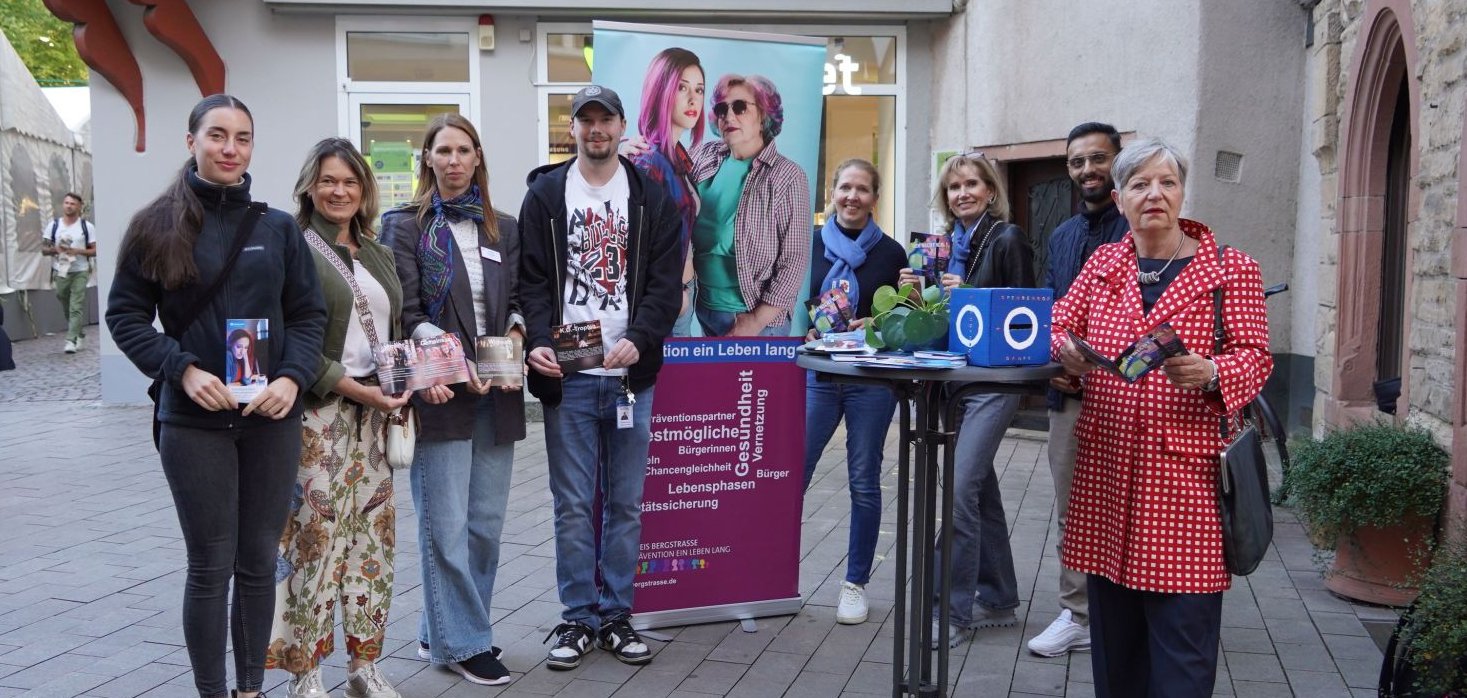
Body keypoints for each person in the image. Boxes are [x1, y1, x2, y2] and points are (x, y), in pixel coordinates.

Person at [105, 93, 327, 698]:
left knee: (257, 561)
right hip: (193, 420)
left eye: (243, 137)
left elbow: (308, 315)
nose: (231, 149)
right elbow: (125, 316)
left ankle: (250, 689)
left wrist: (291, 378)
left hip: (269, 416)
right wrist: (181, 370)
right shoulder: (155, 226)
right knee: (209, 564)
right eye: (218, 135)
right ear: (192, 142)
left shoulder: (277, 228)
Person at [1052, 138, 1272, 697]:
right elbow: (1058, 324)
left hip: (1185, 487)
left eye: (1167, 182)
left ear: (1181, 192)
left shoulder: (1230, 269)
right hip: (1106, 480)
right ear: (1120, 199)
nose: (1155, 194)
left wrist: (1213, 372)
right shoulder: (1104, 264)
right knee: (1116, 656)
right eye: (1140, 184)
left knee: (1182, 658)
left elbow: (1256, 357)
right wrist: (1067, 353)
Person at [519, 85, 681, 670]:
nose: (596, 129)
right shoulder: (545, 194)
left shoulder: (650, 197)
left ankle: (616, 615)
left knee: (627, 503)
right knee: (571, 505)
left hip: (630, 375)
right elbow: (531, 282)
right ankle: (578, 618)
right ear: (573, 128)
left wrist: (641, 336)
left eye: (605, 119)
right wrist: (538, 341)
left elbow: (665, 283)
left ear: (620, 125)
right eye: (585, 120)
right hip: (570, 374)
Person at [381, 114, 525, 687]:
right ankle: (464, 643)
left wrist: (516, 334)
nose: (454, 160)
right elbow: (406, 310)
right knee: (446, 526)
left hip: (499, 388)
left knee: (484, 526)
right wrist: (448, 353)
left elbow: (519, 298)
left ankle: (445, 628)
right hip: (442, 389)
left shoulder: (502, 227)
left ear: (478, 157)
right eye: (443, 150)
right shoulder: (404, 226)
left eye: (464, 150)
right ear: (428, 159)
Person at [265, 138, 412, 698]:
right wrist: (350, 386)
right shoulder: (294, 246)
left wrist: (404, 382)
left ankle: (364, 666)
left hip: (374, 419)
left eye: (350, 182)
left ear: (364, 190)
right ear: (309, 186)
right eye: (328, 180)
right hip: (318, 415)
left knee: (372, 543)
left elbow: (393, 331)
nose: (339, 191)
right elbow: (288, 337)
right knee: (315, 540)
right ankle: (306, 672)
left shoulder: (377, 252)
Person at [900, 151, 1035, 648]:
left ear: (990, 190)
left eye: (972, 184)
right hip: (951, 381)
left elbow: (1024, 314)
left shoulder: (1007, 238)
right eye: (954, 187)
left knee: (958, 493)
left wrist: (970, 292)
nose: (962, 193)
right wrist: (915, 297)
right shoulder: (941, 246)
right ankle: (998, 598)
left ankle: (950, 611)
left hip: (992, 383)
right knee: (978, 491)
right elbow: (937, 325)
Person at [1026, 122, 1130, 658]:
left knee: (1134, 506)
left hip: (1129, 395)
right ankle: (1079, 614)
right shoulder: (1063, 234)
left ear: (1118, 161)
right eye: (1076, 162)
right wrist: (1053, 362)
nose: (1087, 169)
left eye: (1098, 158)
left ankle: (1129, 611)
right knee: (1074, 508)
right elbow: (1049, 307)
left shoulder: (1139, 227)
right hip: (1067, 396)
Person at [801, 159, 906, 624]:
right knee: (794, 475)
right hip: (819, 377)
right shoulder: (808, 246)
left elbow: (903, 323)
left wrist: (877, 322)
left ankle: (854, 584)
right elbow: (789, 305)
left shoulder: (893, 253)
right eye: (845, 187)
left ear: (874, 198)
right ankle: (770, 571)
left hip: (870, 381)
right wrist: (803, 330)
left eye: (863, 189)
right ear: (833, 192)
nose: (852, 196)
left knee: (864, 481)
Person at [688, 73, 810, 336]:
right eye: (722, 109)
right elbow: (660, 176)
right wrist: (628, 151)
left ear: (764, 114)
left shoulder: (787, 175)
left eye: (740, 107)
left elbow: (794, 260)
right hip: (706, 309)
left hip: (756, 321)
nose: (728, 116)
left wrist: (755, 321)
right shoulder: (703, 156)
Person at [627, 47, 704, 337]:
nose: (693, 99)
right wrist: (672, 294)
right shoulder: (648, 161)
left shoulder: (678, 156)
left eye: (699, 89)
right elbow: (637, 246)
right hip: (667, 300)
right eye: (682, 88)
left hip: (683, 292)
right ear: (661, 91)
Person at [41, 192, 96, 354]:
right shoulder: (54, 225)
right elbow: (44, 249)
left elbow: (95, 250)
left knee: (75, 306)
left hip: (80, 270)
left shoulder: (86, 227)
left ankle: (70, 340)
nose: (69, 206)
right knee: (63, 299)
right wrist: (56, 249)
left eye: (72, 203)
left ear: (79, 207)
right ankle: (79, 333)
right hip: (61, 270)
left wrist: (77, 251)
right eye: (66, 203)